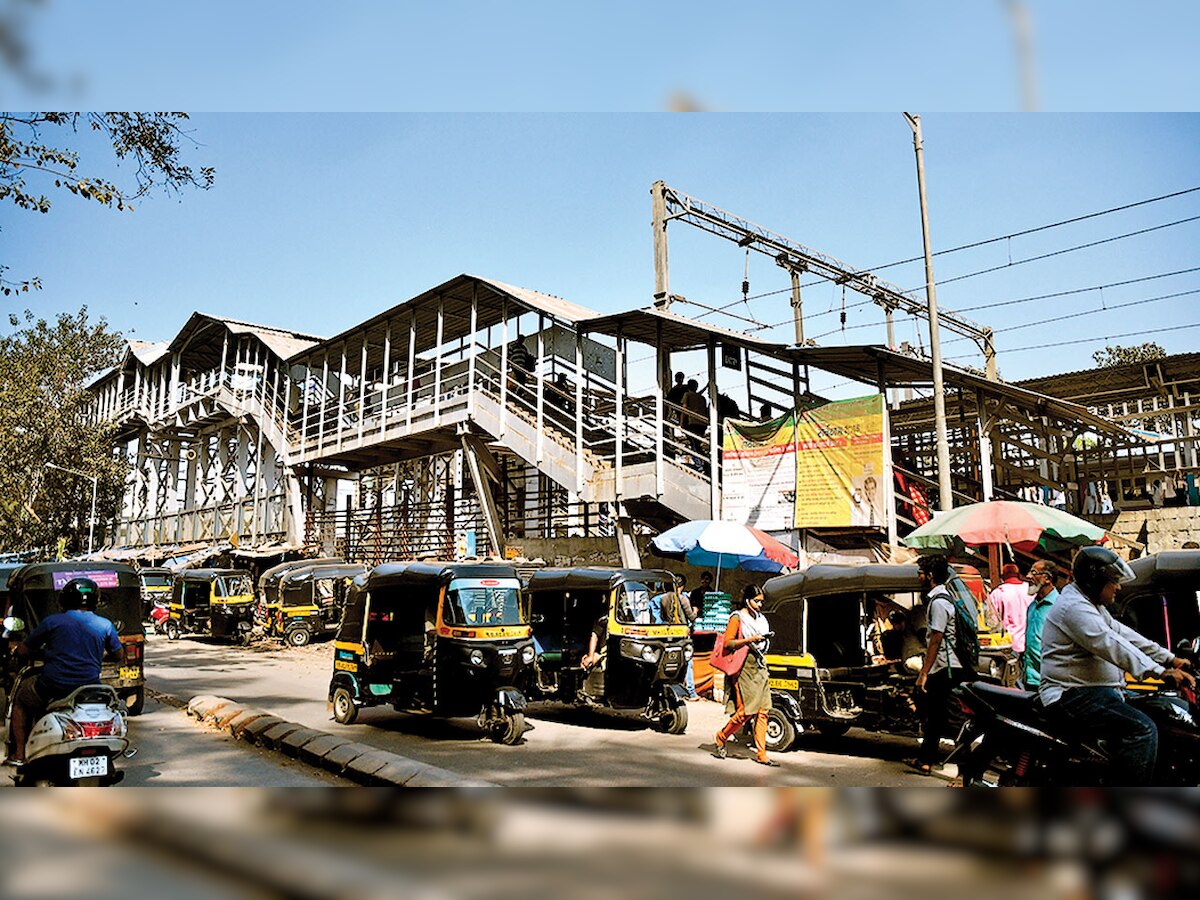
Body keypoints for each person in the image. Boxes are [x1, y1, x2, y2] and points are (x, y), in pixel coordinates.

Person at [1039, 545, 1195, 785]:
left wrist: (1169, 658)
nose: (1118, 587)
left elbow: (1125, 635)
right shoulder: (1075, 609)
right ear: (1094, 582)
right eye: (1113, 581)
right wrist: (1160, 672)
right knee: (1142, 730)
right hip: (1071, 695)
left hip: (1099, 690)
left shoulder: (1092, 605)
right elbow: (1112, 645)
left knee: (1165, 709)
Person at [4, 578, 123, 768]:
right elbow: (118, 654)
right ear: (95, 600)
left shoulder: (52, 622)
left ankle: (19, 753)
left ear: (65, 599)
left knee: (21, 700)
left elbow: (24, 650)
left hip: (53, 686)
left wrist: (18, 650)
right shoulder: (105, 625)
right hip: (90, 688)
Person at [909, 555, 964, 775]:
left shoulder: (939, 602)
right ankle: (925, 760)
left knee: (950, 718)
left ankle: (965, 767)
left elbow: (936, 639)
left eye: (920, 573)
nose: (919, 577)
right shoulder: (941, 598)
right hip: (944, 666)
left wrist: (924, 672)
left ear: (930, 576)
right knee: (935, 715)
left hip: (944, 668)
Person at [712, 585, 778, 767]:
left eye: (761, 602)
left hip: (760, 664)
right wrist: (750, 640)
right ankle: (721, 736)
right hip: (744, 666)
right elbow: (728, 642)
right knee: (745, 712)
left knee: (764, 711)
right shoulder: (737, 617)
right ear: (747, 600)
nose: (759, 605)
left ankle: (762, 754)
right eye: (756, 601)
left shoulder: (761, 619)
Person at [986, 563, 1031, 679]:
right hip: (1030, 642)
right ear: (1018, 575)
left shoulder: (998, 593)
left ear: (1003, 577)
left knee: (1012, 679)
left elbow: (992, 622)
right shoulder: (1029, 590)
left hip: (1010, 644)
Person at [1021, 560, 1059, 690]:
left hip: (1051, 681)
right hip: (1030, 678)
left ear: (1047, 578)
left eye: (1034, 573)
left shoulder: (1059, 607)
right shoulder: (1032, 605)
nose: (1028, 576)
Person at [674, 575, 700, 700]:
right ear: (682, 585)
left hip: (667, 634)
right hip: (682, 634)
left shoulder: (661, 598)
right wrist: (695, 611)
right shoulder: (682, 599)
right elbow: (692, 617)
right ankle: (691, 692)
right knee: (688, 662)